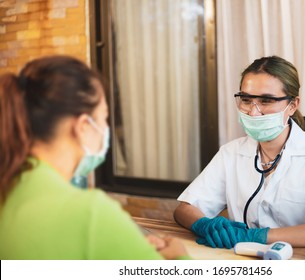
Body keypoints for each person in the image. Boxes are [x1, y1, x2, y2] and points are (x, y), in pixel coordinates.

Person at [0, 55, 189, 260]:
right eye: (103, 118)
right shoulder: (90, 214)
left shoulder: (8, 189)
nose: (106, 129)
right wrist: (180, 259)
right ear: (83, 126)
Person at [174, 55, 305, 248]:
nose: (254, 112)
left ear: (292, 105)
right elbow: (185, 208)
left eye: (266, 100)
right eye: (246, 100)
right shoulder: (231, 153)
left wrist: (257, 236)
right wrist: (205, 225)